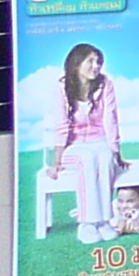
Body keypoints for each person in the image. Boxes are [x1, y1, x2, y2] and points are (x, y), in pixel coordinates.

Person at [51, 42, 121, 244]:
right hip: (74, 146)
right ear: (76, 64)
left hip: (99, 141)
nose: (96, 66)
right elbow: (62, 125)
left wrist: (116, 152)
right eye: (90, 61)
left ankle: (104, 221)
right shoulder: (62, 87)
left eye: (98, 62)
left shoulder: (105, 84)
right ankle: (86, 223)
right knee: (87, 158)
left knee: (106, 157)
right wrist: (57, 162)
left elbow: (111, 119)